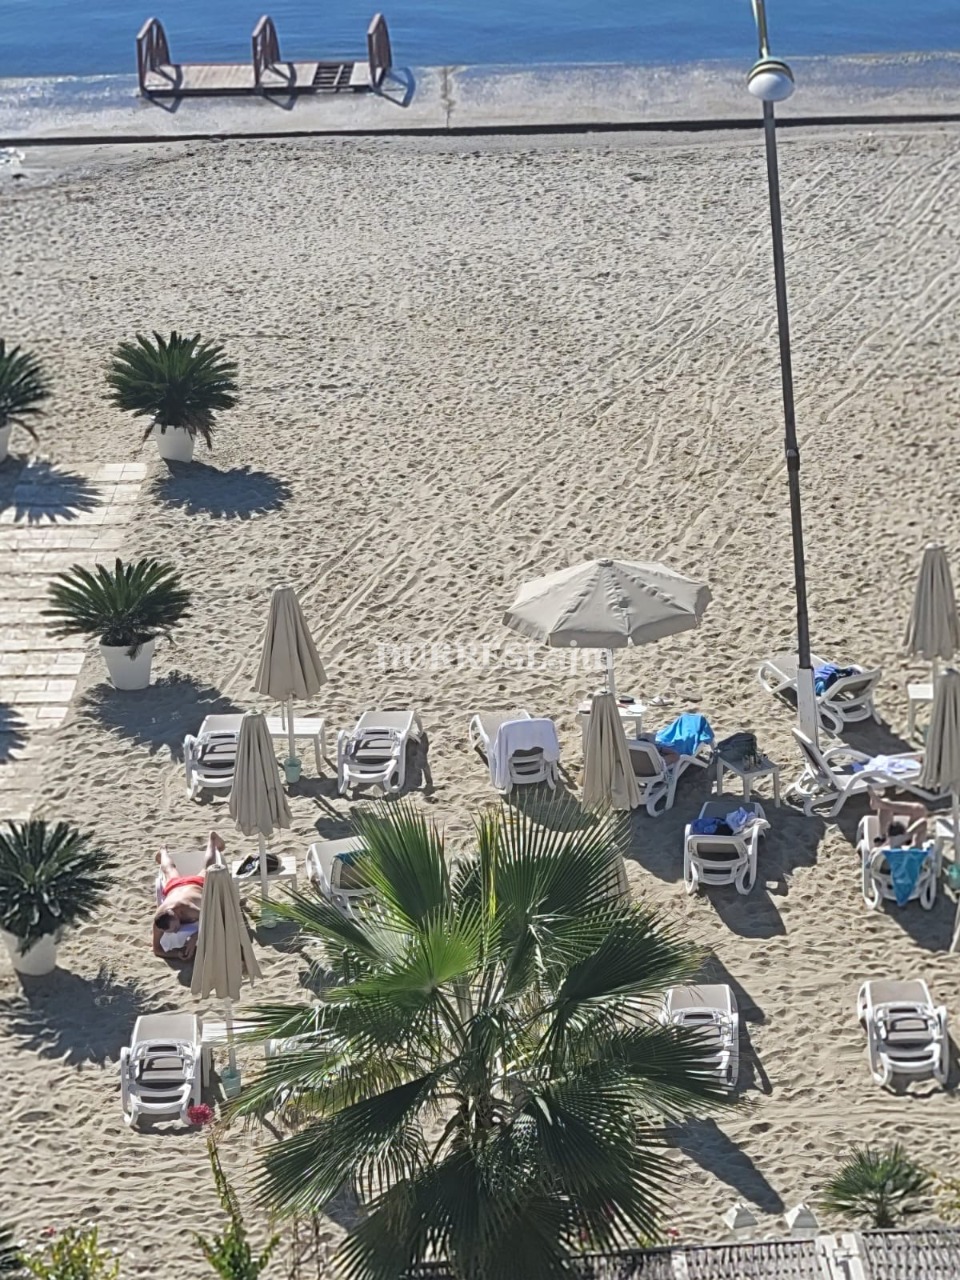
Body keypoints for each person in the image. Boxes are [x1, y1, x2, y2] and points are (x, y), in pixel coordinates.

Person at [152, 831, 224, 961]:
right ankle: (162, 852)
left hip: (195, 885)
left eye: (175, 927)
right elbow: (157, 950)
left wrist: (195, 937)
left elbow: (213, 921)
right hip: (174, 888)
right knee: (169, 870)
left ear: (177, 914)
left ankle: (213, 841)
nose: (175, 931)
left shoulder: (190, 909)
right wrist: (176, 955)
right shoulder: (159, 920)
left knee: (208, 869)